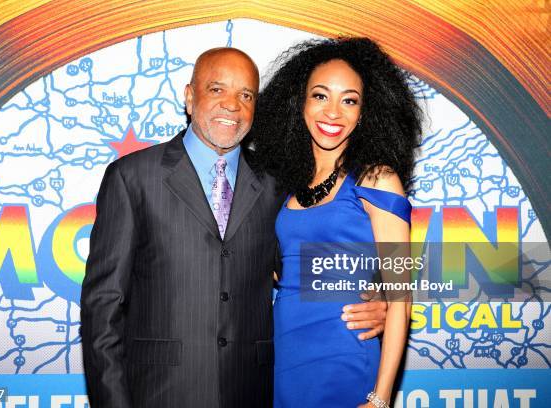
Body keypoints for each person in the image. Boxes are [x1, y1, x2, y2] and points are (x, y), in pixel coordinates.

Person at [81, 47, 388, 408]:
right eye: (217, 89)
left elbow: (311, 264)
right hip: (159, 393)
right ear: (189, 96)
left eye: (246, 95)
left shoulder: (278, 183)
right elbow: (103, 305)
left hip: (254, 391)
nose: (232, 105)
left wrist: (380, 297)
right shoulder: (133, 177)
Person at [250, 38, 422, 407]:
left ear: (364, 113)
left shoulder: (377, 179)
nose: (333, 112)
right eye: (320, 96)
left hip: (344, 355)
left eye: (349, 100)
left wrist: (380, 399)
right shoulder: (285, 185)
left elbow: (400, 298)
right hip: (286, 355)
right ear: (300, 103)